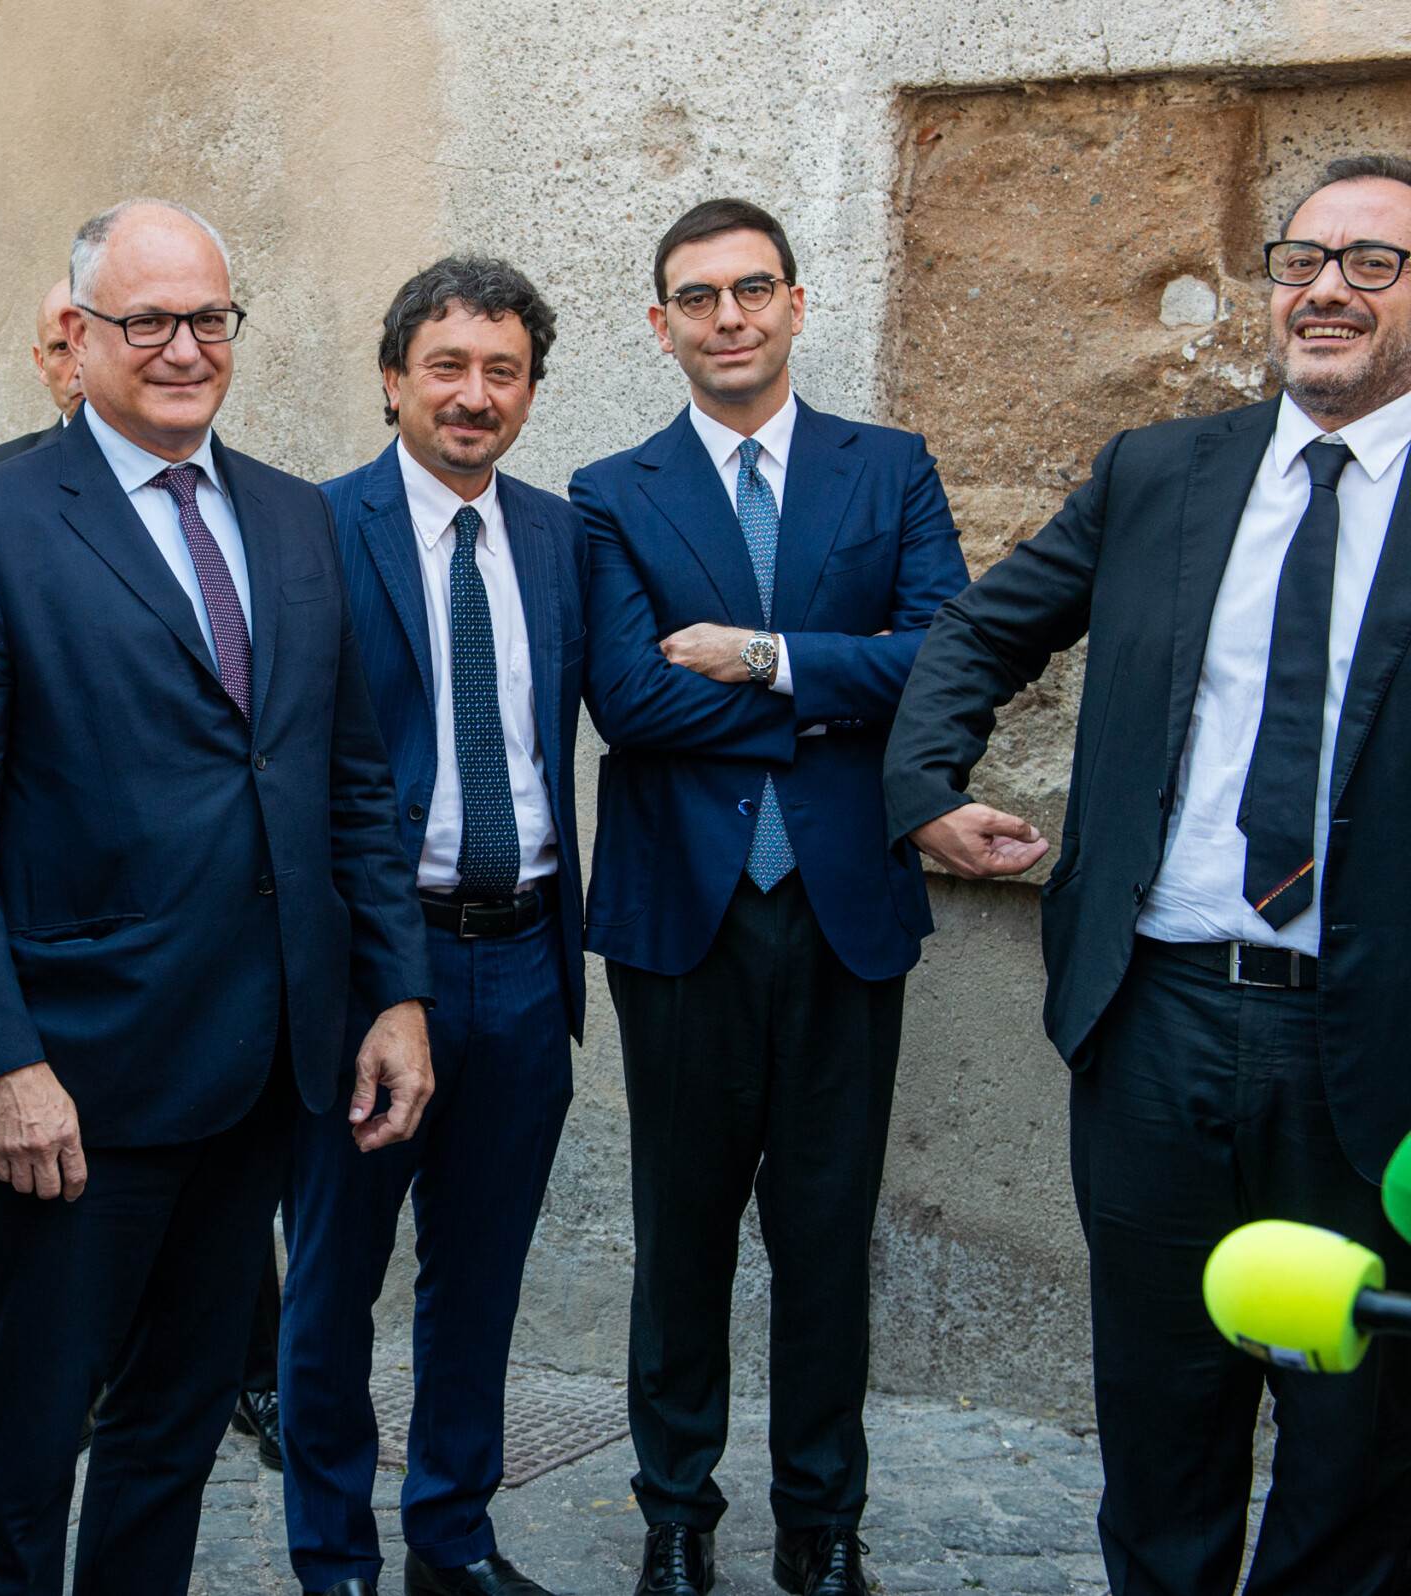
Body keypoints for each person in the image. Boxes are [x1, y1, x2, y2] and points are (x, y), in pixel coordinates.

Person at [0, 197, 435, 1596]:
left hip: (262, 1068)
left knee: (176, 1427)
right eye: (149, 321)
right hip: (78, 1079)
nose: (185, 349)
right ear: (76, 335)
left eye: (210, 320)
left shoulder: (297, 519)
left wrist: (395, 994)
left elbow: (347, 783)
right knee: (28, 1435)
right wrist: (1, 1063)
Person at [884, 156, 1411, 1596]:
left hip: (1377, 1052)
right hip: (1156, 1022)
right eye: (1303, 258)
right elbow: (981, 632)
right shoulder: (1161, 471)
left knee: (1359, 1456)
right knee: (1163, 1430)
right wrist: (927, 790)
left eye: (1373, 264)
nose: (1325, 289)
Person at [569, 199, 969, 1596]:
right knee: (680, 1234)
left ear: (799, 304)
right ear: (662, 323)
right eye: (698, 296)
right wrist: (827, 706)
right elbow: (625, 695)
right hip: (684, 916)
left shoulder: (891, 469)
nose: (727, 316)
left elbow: (937, 659)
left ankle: (823, 1525)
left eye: (752, 290)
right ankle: (675, 1516)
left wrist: (759, 657)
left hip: (846, 905)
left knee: (823, 1234)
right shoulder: (610, 493)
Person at [283, 257, 587, 1596]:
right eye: (448, 367)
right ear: (394, 376)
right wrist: (364, 973)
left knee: (479, 1285)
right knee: (331, 1284)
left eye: (502, 371)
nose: (475, 396)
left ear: (529, 390)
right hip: (370, 968)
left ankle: (451, 1543)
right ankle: (332, 1555)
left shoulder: (562, 538)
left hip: (523, 959)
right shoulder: (308, 531)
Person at [0, 277, 82, 474]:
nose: (81, 367)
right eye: (62, 347)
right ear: (41, 364)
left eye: (93, 343)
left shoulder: (153, 459)